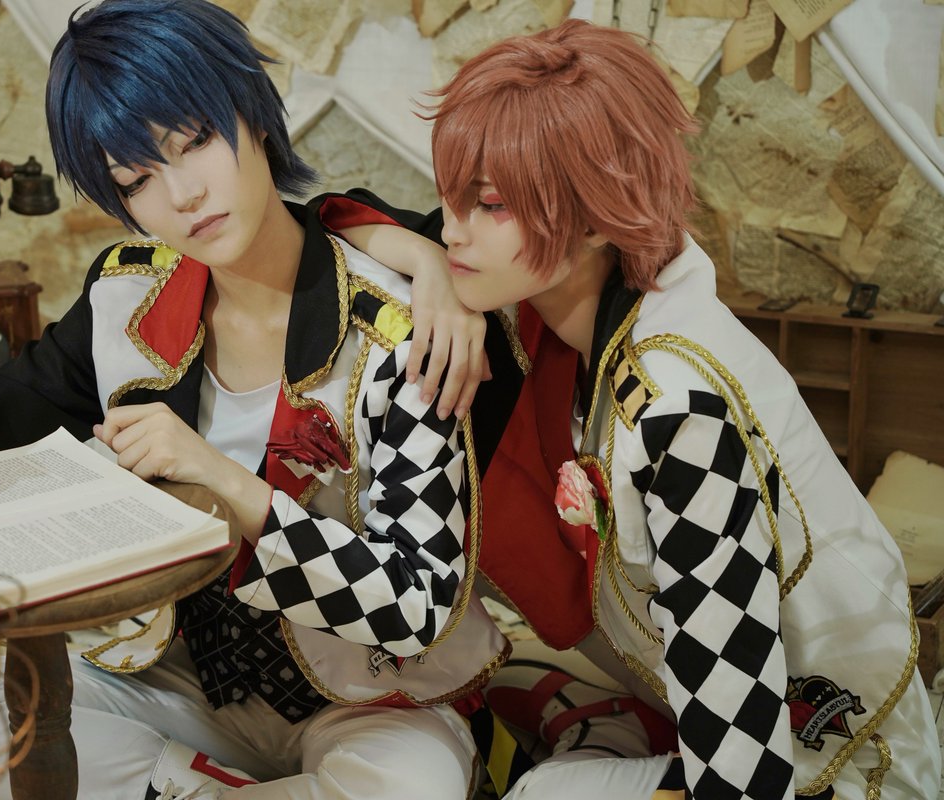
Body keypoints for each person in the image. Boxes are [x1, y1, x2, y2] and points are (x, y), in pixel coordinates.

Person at [0, 1, 508, 798]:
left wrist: (224, 479)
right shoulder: (129, 296)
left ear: (254, 114)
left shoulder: (402, 332)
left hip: (376, 699)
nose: (183, 195)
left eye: (195, 140)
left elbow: (417, 606)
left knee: (407, 788)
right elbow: (8, 400)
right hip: (186, 684)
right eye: (136, 180)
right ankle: (199, 784)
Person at [323, 19, 941, 800]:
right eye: (449, 197)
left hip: (838, 769)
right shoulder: (607, 304)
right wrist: (426, 265)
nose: (452, 231)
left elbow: (741, 754)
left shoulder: (678, 412)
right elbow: (328, 218)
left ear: (592, 217)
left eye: (489, 204)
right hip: (704, 705)